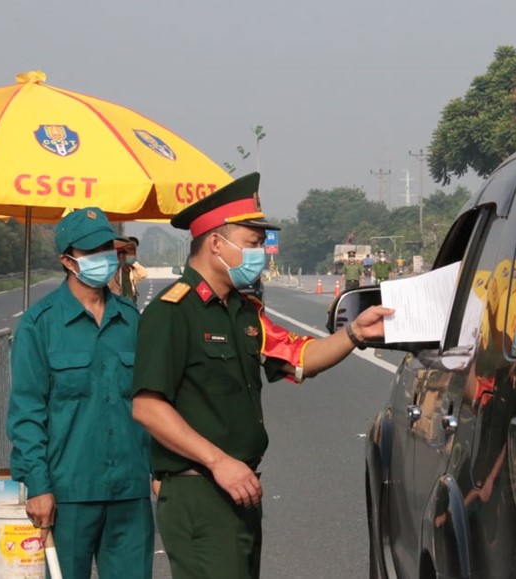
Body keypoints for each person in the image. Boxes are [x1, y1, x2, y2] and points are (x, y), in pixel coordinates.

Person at [130, 172, 392, 579]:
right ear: (217, 243)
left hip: (239, 487)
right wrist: (219, 463)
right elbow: (148, 408)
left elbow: (298, 357)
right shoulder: (172, 312)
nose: (262, 255)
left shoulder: (244, 311)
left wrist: (356, 333)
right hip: (201, 490)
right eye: (252, 244)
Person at [6, 207, 154, 579]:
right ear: (67, 260)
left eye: (109, 248)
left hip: (130, 491)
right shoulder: (39, 325)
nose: (105, 258)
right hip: (68, 492)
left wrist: (158, 470)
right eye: (93, 251)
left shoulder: (130, 320)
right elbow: (26, 413)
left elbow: (151, 402)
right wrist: (38, 486)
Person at [109, 236, 148, 305]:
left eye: (134, 250)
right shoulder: (112, 270)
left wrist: (133, 263)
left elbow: (143, 274)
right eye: (128, 250)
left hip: (130, 301)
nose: (131, 253)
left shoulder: (132, 268)